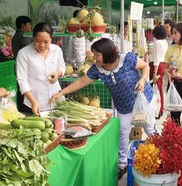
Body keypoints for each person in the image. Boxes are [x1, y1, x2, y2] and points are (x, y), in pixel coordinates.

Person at [48, 38, 157, 180]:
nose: (94, 58)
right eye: (94, 54)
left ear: (107, 52)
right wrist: (62, 92)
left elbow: (145, 66)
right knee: (123, 132)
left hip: (142, 101)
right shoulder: (97, 68)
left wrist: (142, 80)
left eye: (97, 55)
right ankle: (122, 164)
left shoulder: (127, 59)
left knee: (149, 128)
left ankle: (162, 155)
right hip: (123, 106)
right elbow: (81, 81)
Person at [16, 22, 65, 115]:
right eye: (38, 41)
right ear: (33, 38)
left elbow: (62, 67)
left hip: (56, 101)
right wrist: (33, 101)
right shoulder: (23, 54)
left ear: (51, 39)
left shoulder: (57, 50)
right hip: (34, 103)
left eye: (46, 42)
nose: (42, 45)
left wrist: (57, 73)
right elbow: (22, 81)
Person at [11, 15, 33, 112]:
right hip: (24, 67)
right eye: (28, 24)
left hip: (19, 66)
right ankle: (24, 109)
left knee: (21, 88)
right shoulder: (23, 36)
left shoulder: (16, 36)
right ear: (23, 25)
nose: (30, 27)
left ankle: (21, 108)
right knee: (24, 88)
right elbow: (30, 50)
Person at [148, 25, 168, 119]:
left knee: (155, 87)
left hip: (156, 66)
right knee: (159, 88)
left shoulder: (156, 43)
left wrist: (154, 73)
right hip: (162, 65)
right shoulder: (165, 42)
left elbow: (156, 59)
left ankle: (157, 109)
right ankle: (160, 108)